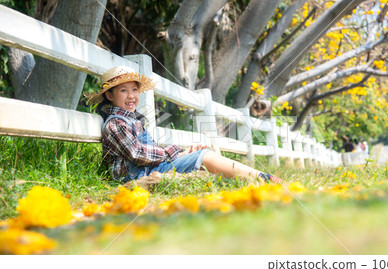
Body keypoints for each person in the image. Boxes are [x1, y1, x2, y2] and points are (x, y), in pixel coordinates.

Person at [85, 66, 281, 184]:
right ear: (109, 95)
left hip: (145, 168)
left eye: (135, 90)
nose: (131, 96)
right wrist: (174, 153)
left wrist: (181, 152)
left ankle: (255, 179)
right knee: (204, 156)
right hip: (134, 176)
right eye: (123, 91)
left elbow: (149, 152)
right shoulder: (116, 124)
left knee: (202, 157)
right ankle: (262, 178)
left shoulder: (133, 120)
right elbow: (138, 154)